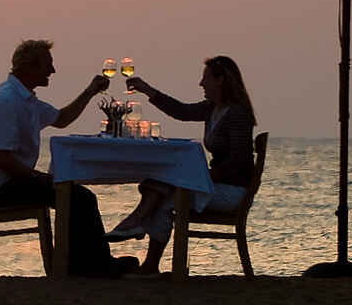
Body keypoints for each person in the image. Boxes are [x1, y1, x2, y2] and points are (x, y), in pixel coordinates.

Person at [0, 39, 137, 277]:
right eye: (47, 64)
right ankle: (93, 266)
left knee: (74, 194)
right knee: (78, 196)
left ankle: (82, 264)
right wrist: (41, 178)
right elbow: (2, 159)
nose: (52, 70)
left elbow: (61, 119)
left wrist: (90, 92)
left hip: (5, 182)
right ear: (29, 68)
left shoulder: (25, 100)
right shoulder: (7, 102)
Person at [110, 55, 257, 274]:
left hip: (232, 191)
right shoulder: (213, 108)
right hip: (216, 184)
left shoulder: (237, 113)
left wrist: (201, 177)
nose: (201, 84)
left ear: (220, 80)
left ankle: (138, 227)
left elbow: (238, 162)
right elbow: (181, 111)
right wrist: (147, 90)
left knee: (168, 191)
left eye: (205, 78)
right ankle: (143, 242)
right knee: (162, 186)